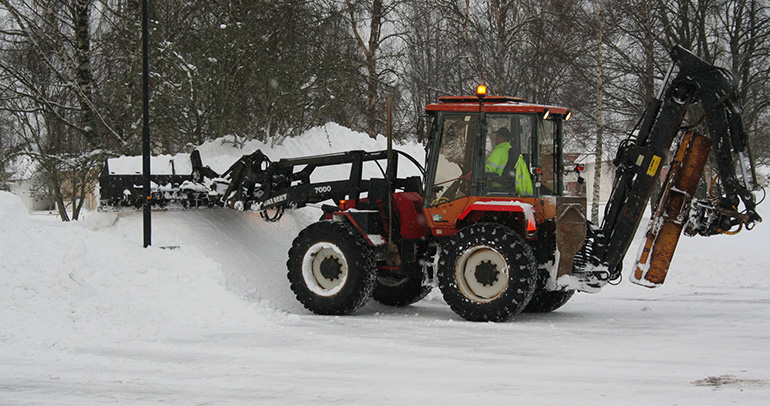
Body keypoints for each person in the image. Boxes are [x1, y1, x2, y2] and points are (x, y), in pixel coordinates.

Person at [485, 127, 533, 196]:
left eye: (497, 136)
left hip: (497, 186)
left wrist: (478, 170)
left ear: (501, 138)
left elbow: (490, 169)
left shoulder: (499, 151)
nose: (495, 139)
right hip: (508, 186)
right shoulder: (509, 149)